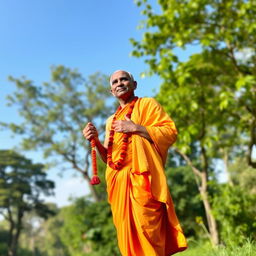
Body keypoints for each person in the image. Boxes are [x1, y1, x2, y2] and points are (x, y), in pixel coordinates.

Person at [82, 70, 187, 256]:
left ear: (134, 84)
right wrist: (96, 141)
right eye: (115, 82)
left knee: (149, 228)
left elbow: (170, 132)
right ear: (111, 91)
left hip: (143, 181)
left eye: (124, 79)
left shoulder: (148, 104)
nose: (119, 83)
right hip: (119, 186)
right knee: (126, 236)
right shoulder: (110, 121)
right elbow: (109, 158)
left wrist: (136, 128)